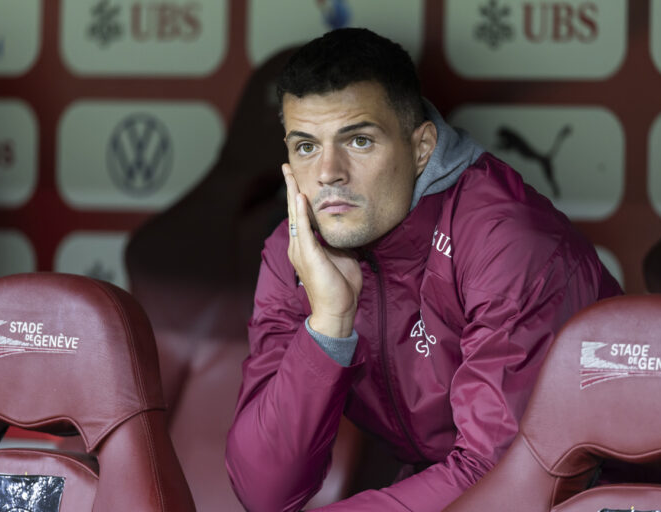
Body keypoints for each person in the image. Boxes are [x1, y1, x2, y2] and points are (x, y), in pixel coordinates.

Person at [225, 28, 622, 512]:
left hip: (605, 498)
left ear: (421, 147)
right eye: (306, 146)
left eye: (359, 140)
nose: (328, 172)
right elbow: (264, 491)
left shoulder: (505, 239)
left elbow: (503, 480)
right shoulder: (296, 251)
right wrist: (328, 322)